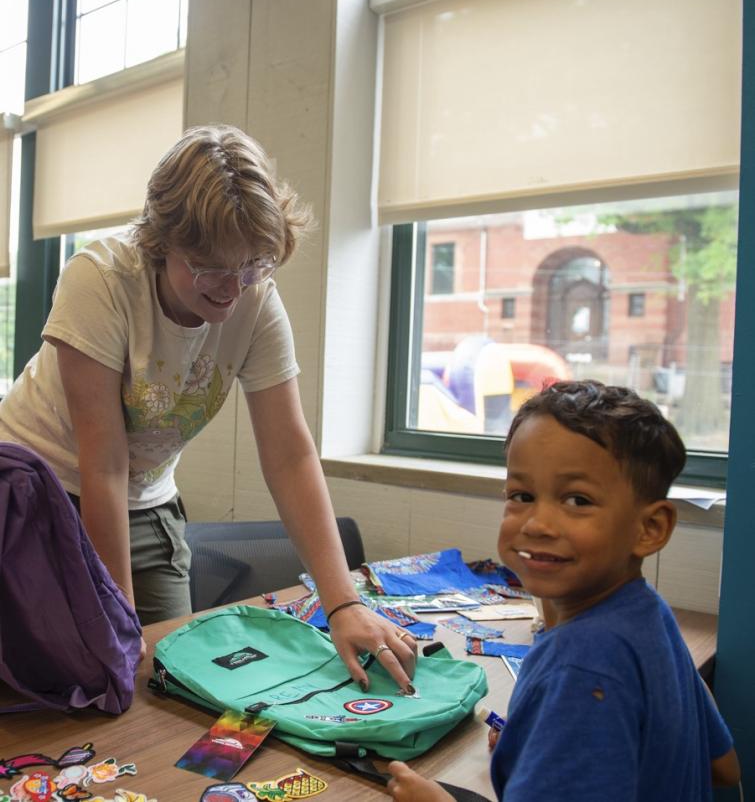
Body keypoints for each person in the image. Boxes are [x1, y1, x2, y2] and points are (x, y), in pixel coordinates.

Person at [0, 124, 416, 692]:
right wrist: (117, 628)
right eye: (209, 267)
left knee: (172, 679)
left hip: (148, 502)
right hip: (37, 497)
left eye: (251, 265)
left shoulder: (255, 297)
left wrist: (342, 602)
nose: (231, 287)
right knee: (81, 681)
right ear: (162, 239)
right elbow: (104, 464)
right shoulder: (100, 279)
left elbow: (290, 455)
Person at [387, 380, 740, 801]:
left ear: (651, 528)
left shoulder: (579, 666)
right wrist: (548, 748)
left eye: (577, 501)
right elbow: (723, 766)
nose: (537, 524)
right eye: (522, 495)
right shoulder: (652, 615)